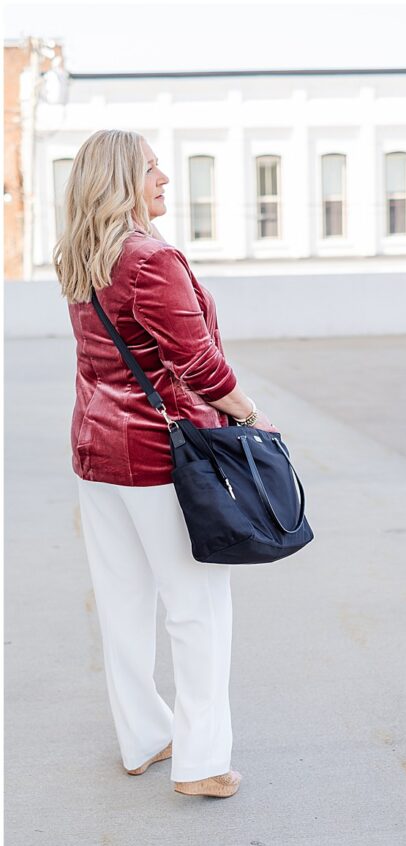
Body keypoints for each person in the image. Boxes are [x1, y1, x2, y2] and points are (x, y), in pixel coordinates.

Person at [55, 130, 274, 798]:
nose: (165, 179)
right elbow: (198, 363)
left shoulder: (81, 256)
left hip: (95, 450)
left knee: (124, 602)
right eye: (152, 169)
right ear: (124, 178)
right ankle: (203, 762)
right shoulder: (151, 258)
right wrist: (251, 414)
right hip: (159, 455)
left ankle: (145, 738)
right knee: (197, 605)